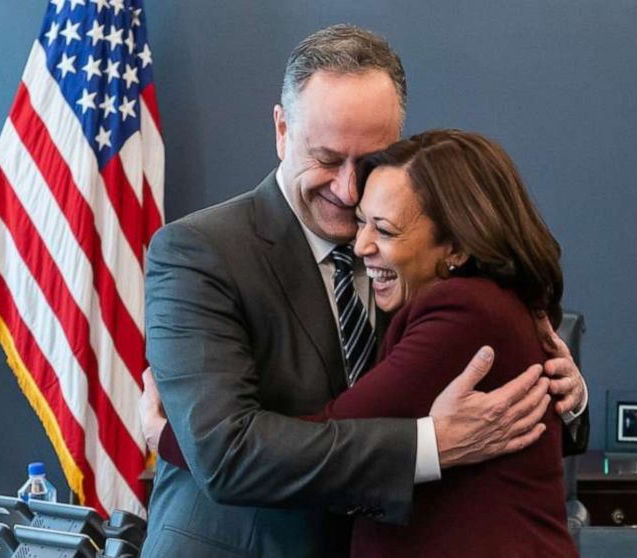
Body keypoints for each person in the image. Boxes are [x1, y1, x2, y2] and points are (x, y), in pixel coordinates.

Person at [140, 25, 588, 558]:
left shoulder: (425, 260)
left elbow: (480, 401)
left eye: (371, 160)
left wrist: (564, 397)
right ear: (283, 130)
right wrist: (433, 444)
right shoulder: (197, 253)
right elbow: (227, 455)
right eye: (327, 158)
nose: (348, 189)